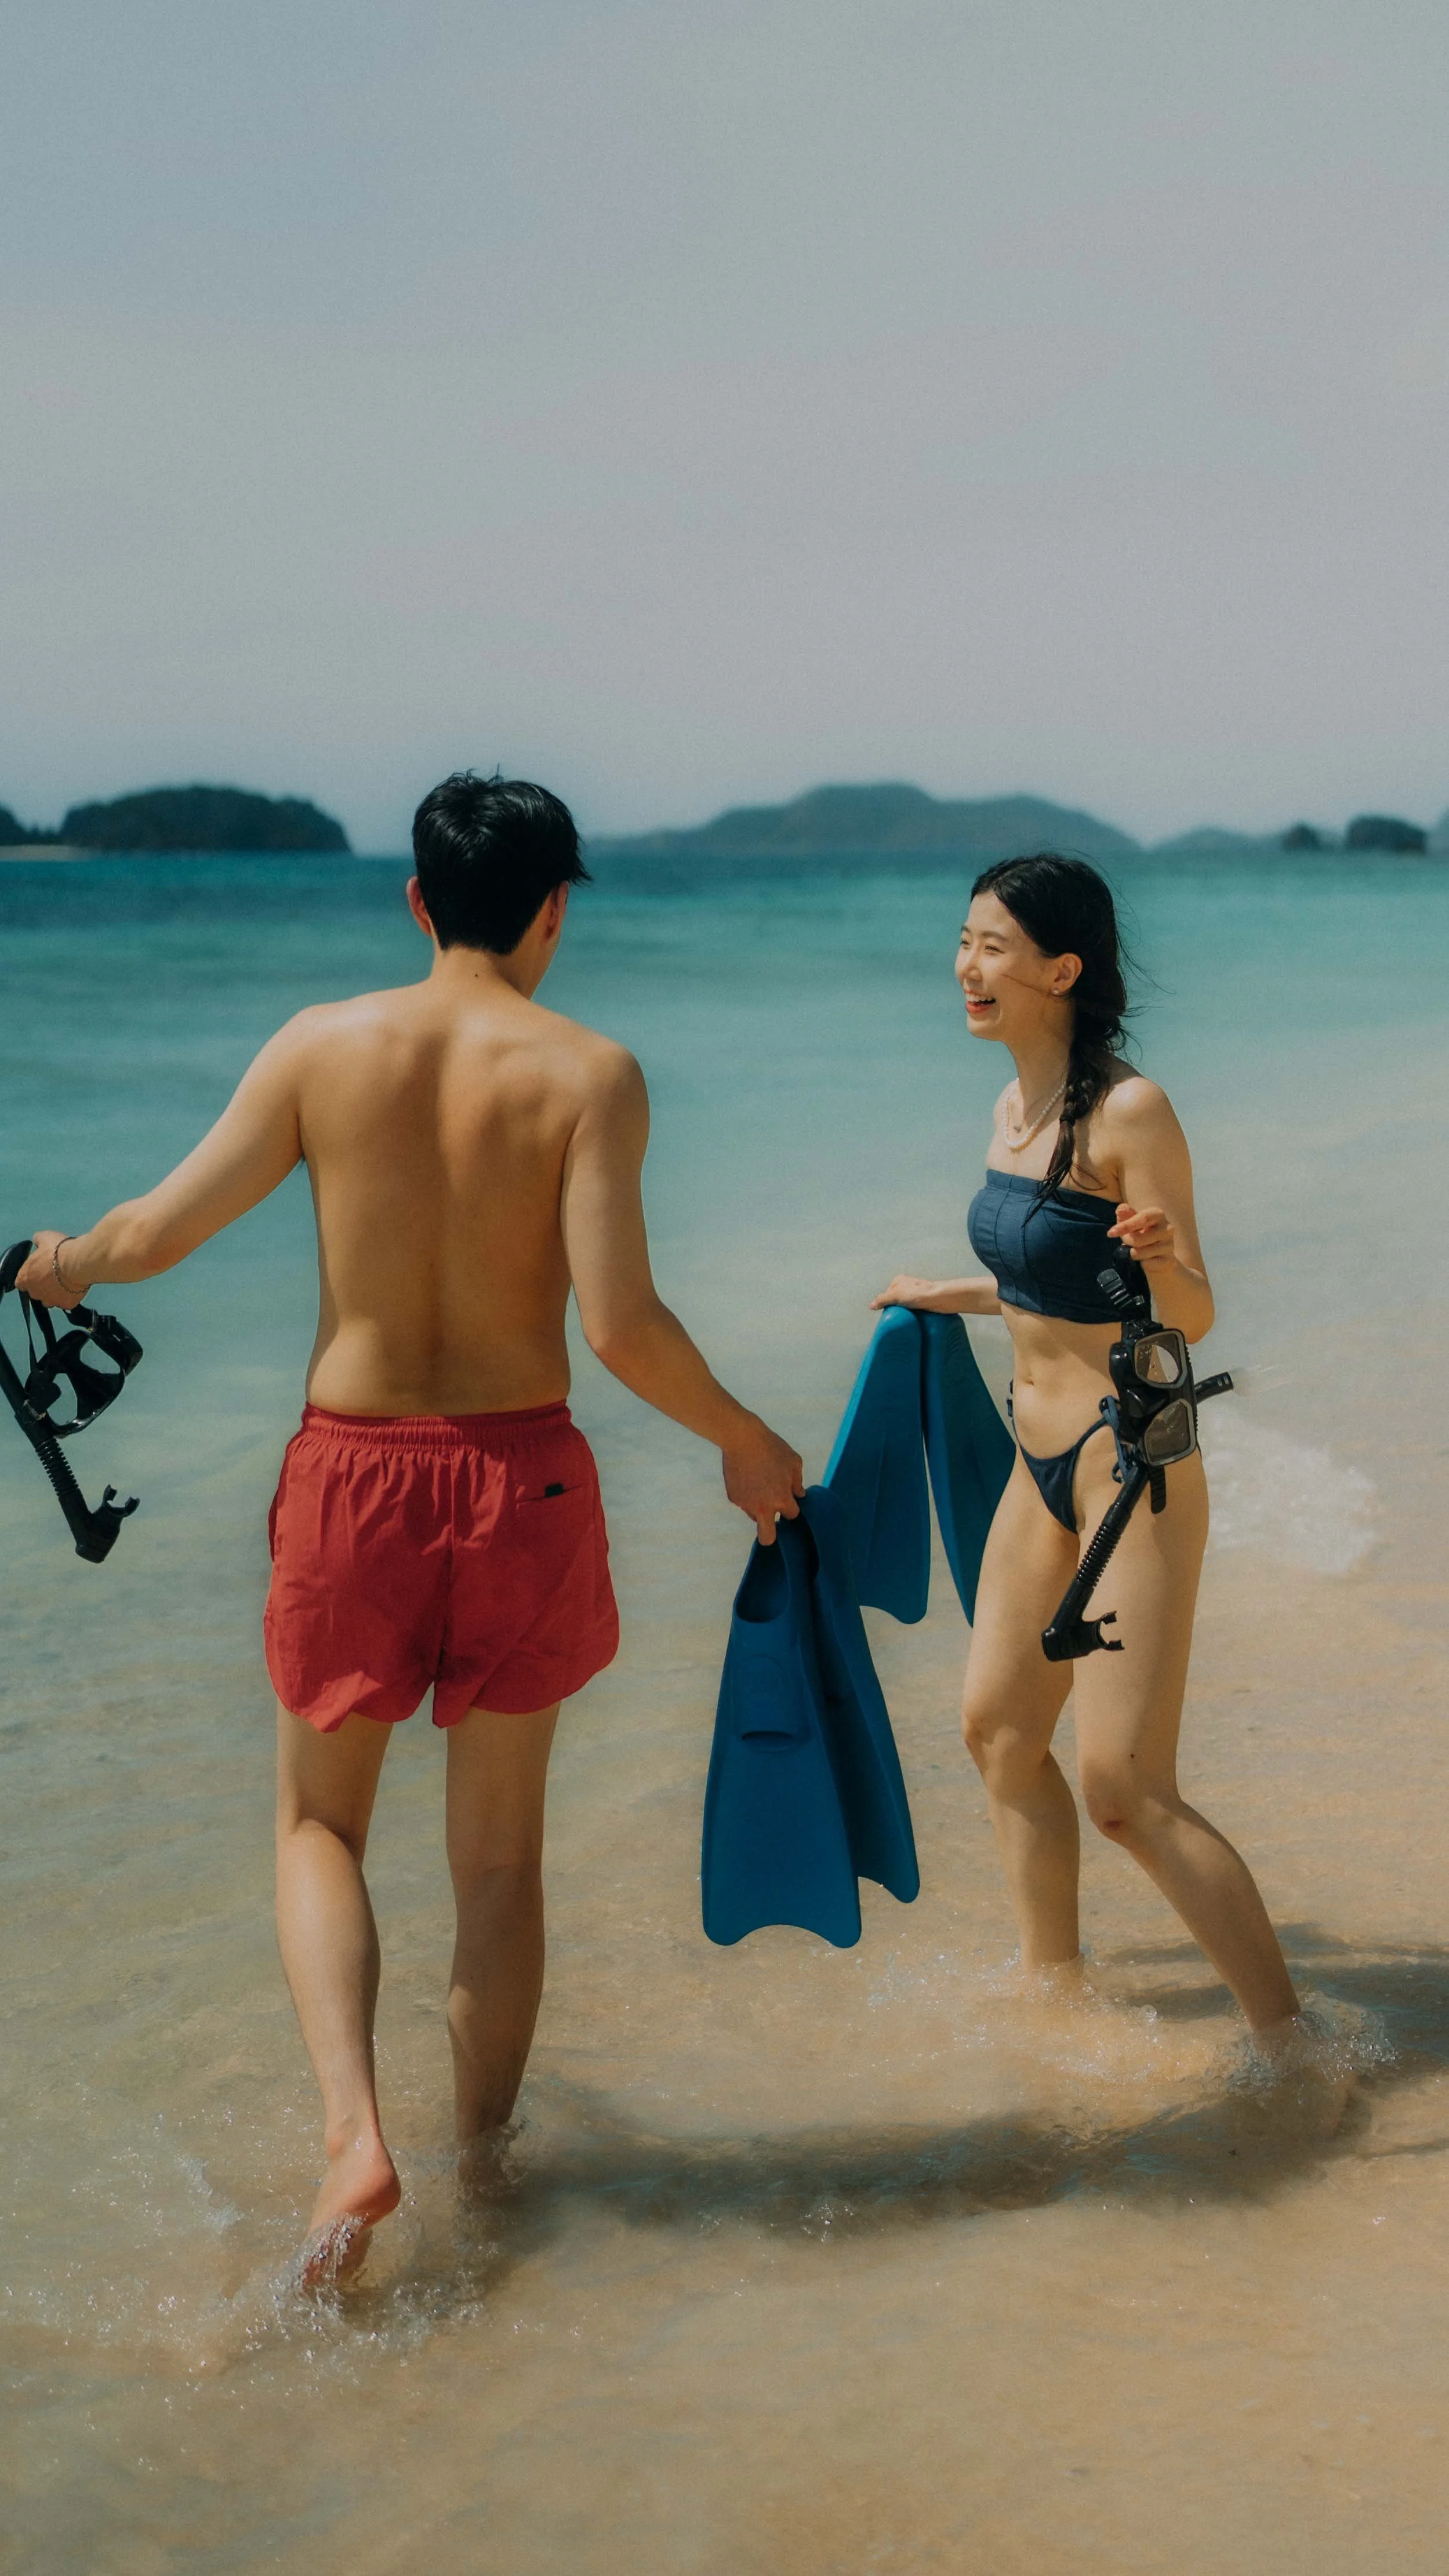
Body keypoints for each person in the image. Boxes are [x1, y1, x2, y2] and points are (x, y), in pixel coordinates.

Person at [19, 770, 804, 2281]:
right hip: (525, 1482)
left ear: (416, 899)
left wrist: (59, 1260)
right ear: (554, 911)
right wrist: (745, 1440)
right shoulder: (590, 1073)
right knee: (499, 1866)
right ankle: (489, 2180)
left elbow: (154, 1237)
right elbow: (623, 1324)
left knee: (320, 1822)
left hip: (352, 1478)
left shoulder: (322, 1047)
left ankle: (350, 2141)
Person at [872, 853, 1299, 2040]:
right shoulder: (1009, 1108)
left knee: (1124, 1788)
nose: (966, 966)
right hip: (1035, 1462)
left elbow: (1192, 1311)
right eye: (962, 941)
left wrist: (1160, 1251)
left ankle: (1290, 2043)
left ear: (1062, 968)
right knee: (999, 1732)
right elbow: (1039, 1279)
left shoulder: (1128, 1110)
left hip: (1130, 1467)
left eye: (993, 947)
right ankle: (1052, 1990)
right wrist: (941, 1292)